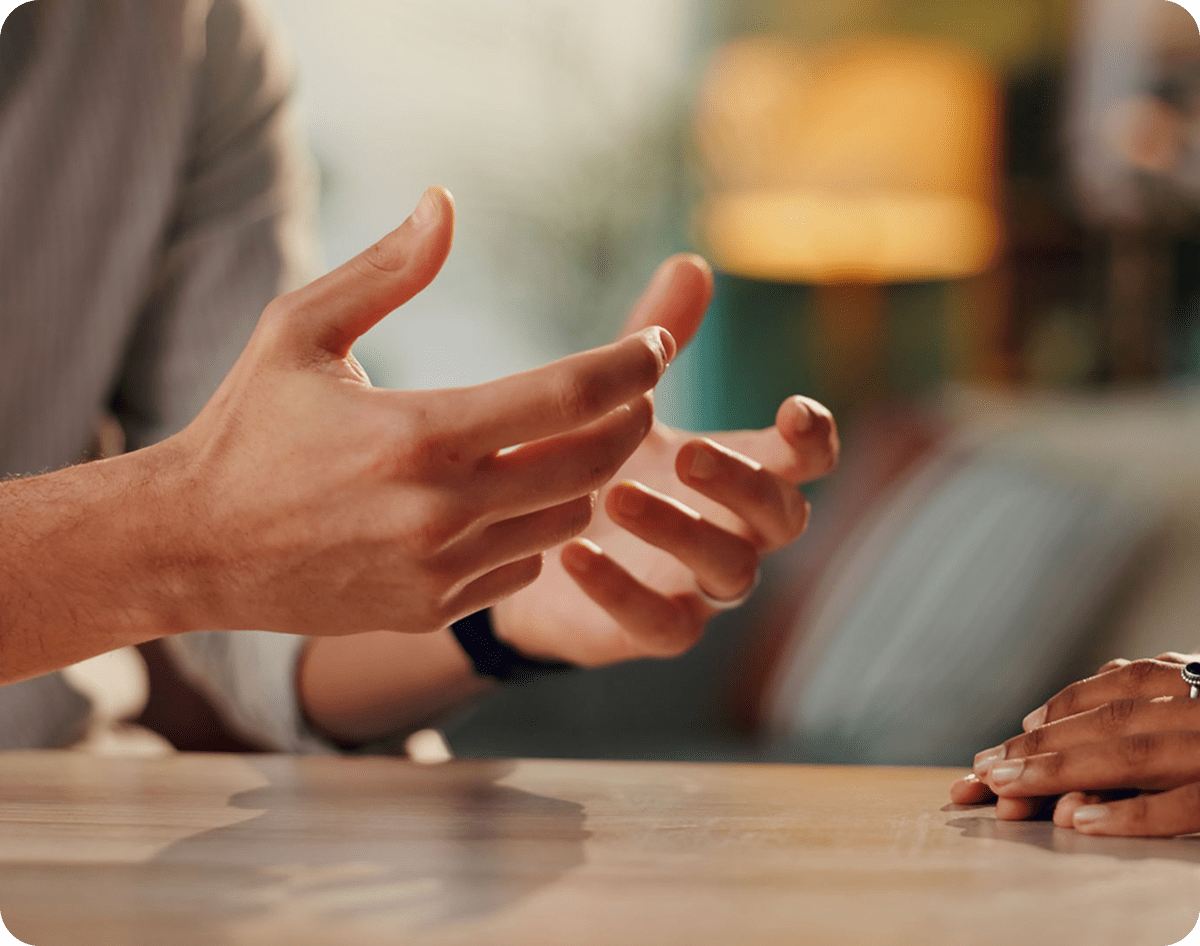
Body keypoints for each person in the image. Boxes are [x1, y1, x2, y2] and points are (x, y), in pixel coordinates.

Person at [0, 0, 837, 751]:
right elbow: (209, 535)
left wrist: (498, 586)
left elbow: (262, 620)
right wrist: (175, 537)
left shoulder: (193, 33)